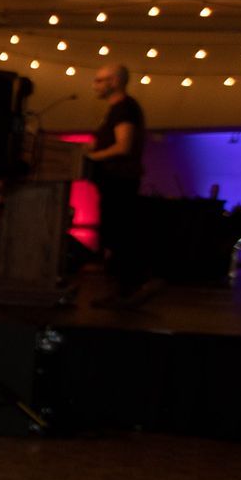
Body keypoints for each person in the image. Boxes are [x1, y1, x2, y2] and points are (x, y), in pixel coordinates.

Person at [84, 63, 148, 303]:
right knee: (117, 233)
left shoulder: (124, 109)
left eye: (99, 80)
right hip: (114, 180)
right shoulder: (117, 110)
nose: (95, 85)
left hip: (120, 180)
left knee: (120, 234)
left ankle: (125, 287)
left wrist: (90, 156)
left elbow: (123, 146)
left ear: (114, 82)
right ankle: (123, 287)